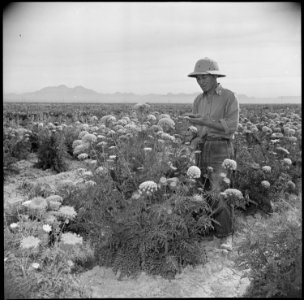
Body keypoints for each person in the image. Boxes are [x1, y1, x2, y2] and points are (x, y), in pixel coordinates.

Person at [186, 57, 239, 250]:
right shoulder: (198, 100)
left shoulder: (228, 96)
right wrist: (193, 140)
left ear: (214, 76)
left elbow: (231, 127)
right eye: (198, 78)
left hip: (221, 147)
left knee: (219, 191)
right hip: (203, 147)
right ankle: (209, 231)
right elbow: (195, 128)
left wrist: (205, 121)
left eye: (204, 78)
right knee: (203, 190)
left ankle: (225, 235)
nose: (200, 82)